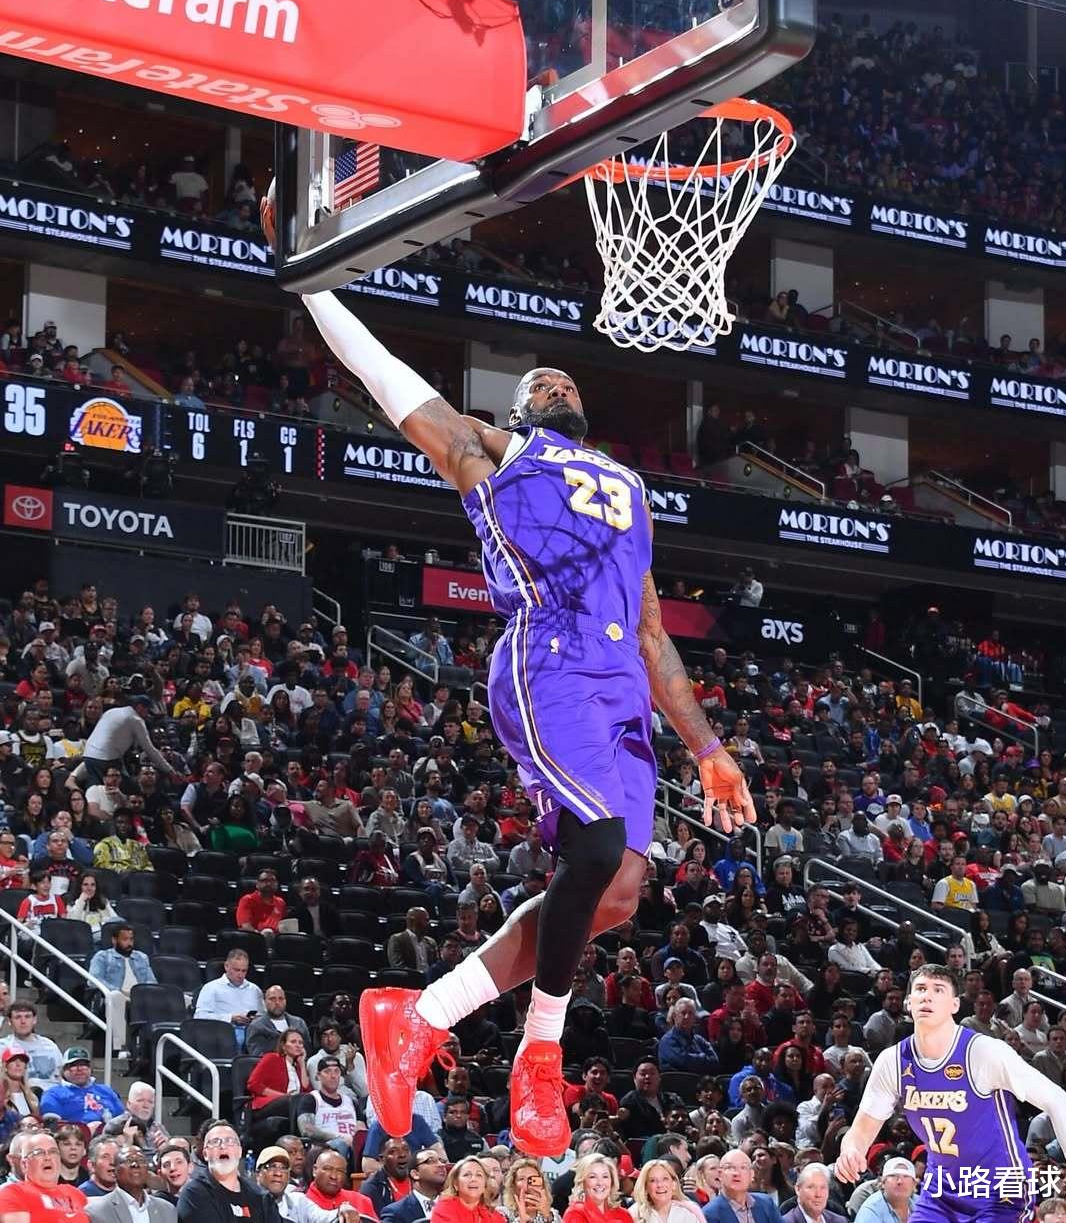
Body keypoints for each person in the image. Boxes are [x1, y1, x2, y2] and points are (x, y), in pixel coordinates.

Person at [263, 188, 754, 1159]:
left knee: (619, 891)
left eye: (564, 375)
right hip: (549, 662)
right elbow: (391, 381)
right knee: (597, 848)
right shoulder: (495, 456)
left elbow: (654, 632)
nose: (555, 377)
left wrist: (707, 747)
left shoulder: (628, 489)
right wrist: (314, 286)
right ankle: (538, 1054)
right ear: (521, 411)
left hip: (621, 691)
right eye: (538, 379)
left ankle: (420, 1016)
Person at [836, 963, 1066, 1220]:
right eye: (921, 989)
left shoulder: (983, 1052)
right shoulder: (893, 1061)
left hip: (1000, 1188)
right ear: (909, 1002)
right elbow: (862, 1128)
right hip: (942, 1187)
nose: (927, 996)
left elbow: (1059, 1102)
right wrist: (851, 1150)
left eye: (938, 990)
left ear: (955, 1004)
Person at [176, 1120, 280, 1223]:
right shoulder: (194, 1194)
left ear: (239, 1151)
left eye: (229, 1141)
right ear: (205, 1154)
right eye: (215, 1142)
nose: (223, 1146)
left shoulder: (260, 1196)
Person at [88, 924, 157, 1056]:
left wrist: (142, 992)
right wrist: (119, 991)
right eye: (125, 939)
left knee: (183, 999)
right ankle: (121, 1047)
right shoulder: (102, 956)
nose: (129, 943)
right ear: (114, 940)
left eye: (131, 939)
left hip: (140, 996)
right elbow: (93, 980)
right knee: (116, 996)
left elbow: (151, 981)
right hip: (117, 995)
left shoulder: (141, 957)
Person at [0, 1129, 91, 1223]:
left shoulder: (74, 1193)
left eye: (53, 1152)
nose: (48, 1157)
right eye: (39, 1153)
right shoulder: (13, 1193)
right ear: (24, 1164)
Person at [193, 948, 265, 1048]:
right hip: (223, 1034)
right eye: (236, 970)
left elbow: (263, 1017)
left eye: (244, 971)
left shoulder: (255, 990)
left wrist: (255, 1019)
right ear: (226, 966)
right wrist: (230, 1018)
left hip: (252, 1033)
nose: (240, 975)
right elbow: (199, 1016)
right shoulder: (211, 988)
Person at [89, 1146, 178, 1223]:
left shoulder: (167, 1210)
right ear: (115, 1171)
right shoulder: (96, 1211)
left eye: (141, 1161)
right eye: (128, 1160)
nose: (135, 1165)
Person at [40, 1047, 125, 1129]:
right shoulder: (53, 1094)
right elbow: (52, 1126)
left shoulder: (106, 1091)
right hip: (75, 1135)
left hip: (109, 1134)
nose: (80, 1069)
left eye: (84, 1065)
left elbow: (122, 1119)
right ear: (63, 1070)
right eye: (73, 1065)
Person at [702, 1151, 781, 1223]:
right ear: (720, 1174)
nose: (736, 1173)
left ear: (752, 1174)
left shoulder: (766, 1203)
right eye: (729, 1167)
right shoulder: (708, 1214)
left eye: (743, 1167)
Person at [2, 1001, 64, 1088]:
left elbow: (62, 1075)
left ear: (34, 1020)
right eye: (18, 1017)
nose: (23, 1021)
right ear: (10, 1021)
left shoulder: (50, 1046)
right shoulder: (3, 1047)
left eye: (27, 1017)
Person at [380, 1149, 451, 1223]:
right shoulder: (395, 1212)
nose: (441, 1165)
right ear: (415, 1174)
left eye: (442, 1161)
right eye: (430, 1161)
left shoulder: (455, 1204)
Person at [560, 1154, 632, 1223]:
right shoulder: (575, 1213)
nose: (600, 1183)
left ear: (612, 1181)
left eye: (605, 1176)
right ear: (582, 1182)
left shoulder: (624, 1215)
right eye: (592, 1177)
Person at [630, 1159, 704, 1223]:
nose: (660, 1185)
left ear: (674, 1184)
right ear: (646, 1187)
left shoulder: (688, 1213)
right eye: (652, 1180)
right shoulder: (635, 1214)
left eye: (665, 1179)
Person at [247, 986, 312, 1059]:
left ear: (285, 1001)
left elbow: (307, 1049)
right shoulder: (256, 1026)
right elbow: (257, 1055)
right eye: (272, 999)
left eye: (281, 999)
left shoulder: (299, 1023)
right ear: (265, 1002)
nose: (277, 1002)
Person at [431, 1157, 503, 1223]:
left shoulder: (493, 1214)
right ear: (455, 1184)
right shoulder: (444, 1209)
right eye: (467, 1175)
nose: (473, 1179)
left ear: (485, 1185)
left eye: (479, 1175)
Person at [850, 1160, 917, 1223]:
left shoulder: (919, 1202)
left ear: (914, 1184)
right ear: (883, 1183)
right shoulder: (870, 1210)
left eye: (906, 1176)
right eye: (893, 1176)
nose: (900, 1181)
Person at [779, 1164, 845, 1223]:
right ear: (798, 1189)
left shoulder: (840, 1221)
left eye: (823, 1187)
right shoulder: (786, 1221)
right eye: (811, 1187)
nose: (818, 1194)